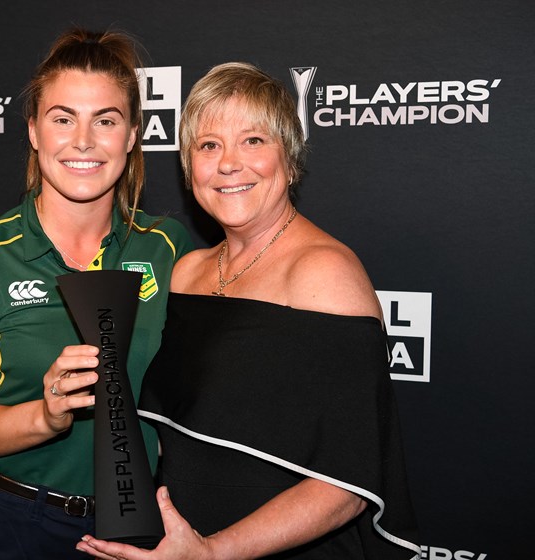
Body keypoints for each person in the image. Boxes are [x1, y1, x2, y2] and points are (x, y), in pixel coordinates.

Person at [77, 62, 420, 559]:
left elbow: (346, 485)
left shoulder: (324, 272)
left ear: (290, 155)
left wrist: (213, 552)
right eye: (208, 145)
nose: (229, 163)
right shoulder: (187, 271)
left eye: (254, 141)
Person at [0, 27, 193, 560]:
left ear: (133, 134)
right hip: (12, 527)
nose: (84, 141)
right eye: (63, 119)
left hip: (143, 530)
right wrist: (42, 416)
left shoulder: (171, 247)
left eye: (106, 121)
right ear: (34, 131)